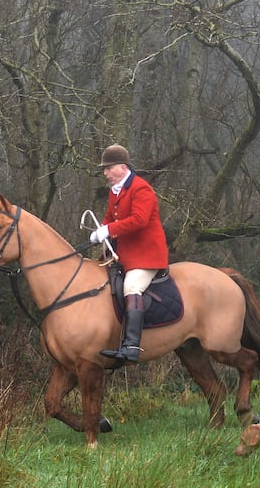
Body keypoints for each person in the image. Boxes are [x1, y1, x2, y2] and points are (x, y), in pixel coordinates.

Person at [89, 144, 169, 362]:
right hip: (124, 254)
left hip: (146, 255)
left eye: (108, 168)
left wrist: (109, 229)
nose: (105, 173)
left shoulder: (141, 189)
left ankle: (132, 346)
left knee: (131, 287)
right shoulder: (115, 191)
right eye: (104, 169)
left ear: (122, 168)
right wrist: (100, 232)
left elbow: (139, 221)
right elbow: (108, 218)